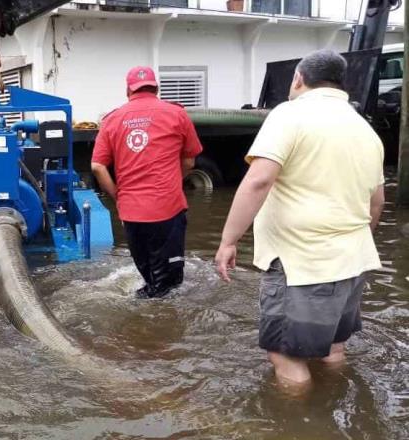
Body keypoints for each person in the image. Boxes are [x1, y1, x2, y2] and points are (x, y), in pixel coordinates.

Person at [214, 50, 385, 386]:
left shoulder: (290, 114)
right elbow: (376, 203)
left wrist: (228, 241)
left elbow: (259, 180)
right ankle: (337, 406)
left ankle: (298, 427)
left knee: (285, 355)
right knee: (333, 350)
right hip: (353, 261)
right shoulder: (365, 130)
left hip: (302, 263)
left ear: (298, 78)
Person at [91, 66, 203, 298]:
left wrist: (119, 196)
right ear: (156, 87)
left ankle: (143, 321)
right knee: (170, 286)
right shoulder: (177, 114)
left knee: (150, 276)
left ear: (128, 90)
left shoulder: (112, 119)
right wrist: (172, 181)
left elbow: (97, 167)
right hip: (167, 209)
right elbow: (190, 161)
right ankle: (161, 327)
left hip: (132, 213)